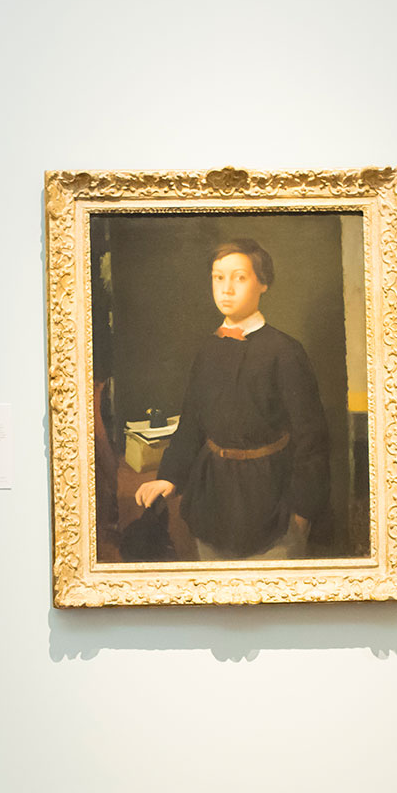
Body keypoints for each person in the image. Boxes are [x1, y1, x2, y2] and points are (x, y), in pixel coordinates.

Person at [133, 238, 330, 560]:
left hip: (272, 503)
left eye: (239, 278)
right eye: (218, 277)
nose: (226, 289)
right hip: (213, 498)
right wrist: (169, 476)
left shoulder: (285, 351)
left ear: (263, 283)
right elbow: (192, 425)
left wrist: (302, 512)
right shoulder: (207, 350)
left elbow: (312, 440)